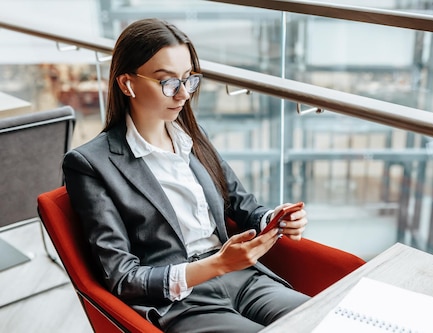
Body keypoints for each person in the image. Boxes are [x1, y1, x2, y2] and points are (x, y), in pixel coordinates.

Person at [62, 18, 310, 333]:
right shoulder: (90, 164)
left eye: (188, 79)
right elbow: (122, 277)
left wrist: (275, 219)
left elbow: (240, 203)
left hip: (243, 279)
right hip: (180, 302)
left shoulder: (191, 135)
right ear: (127, 84)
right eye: (168, 82)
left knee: (322, 319)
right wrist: (218, 263)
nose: (183, 95)